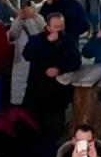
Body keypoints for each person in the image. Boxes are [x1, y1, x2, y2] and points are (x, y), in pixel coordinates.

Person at [24, 7, 82, 138]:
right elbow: (27, 54)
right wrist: (46, 41)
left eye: (61, 26)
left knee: (55, 129)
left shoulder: (69, 40)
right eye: (56, 26)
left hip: (58, 93)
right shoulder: (37, 39)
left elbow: (76, 61)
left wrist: (59, 68)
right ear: (48, 27)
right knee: (35, 128)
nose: (59, 30)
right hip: (37, 91)